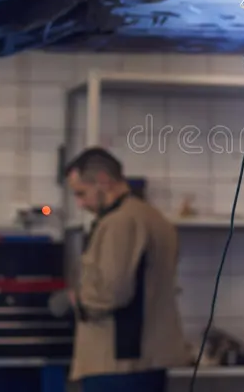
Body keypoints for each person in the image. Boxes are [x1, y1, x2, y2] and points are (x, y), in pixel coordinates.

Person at [59, 147, 191, 392]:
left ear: (103, 181)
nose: (80, 203)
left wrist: (75, 301)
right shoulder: (154, 218)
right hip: (149, 359)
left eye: (81, 193)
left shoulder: (120, 222)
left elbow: (111, 292)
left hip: (118, 363)